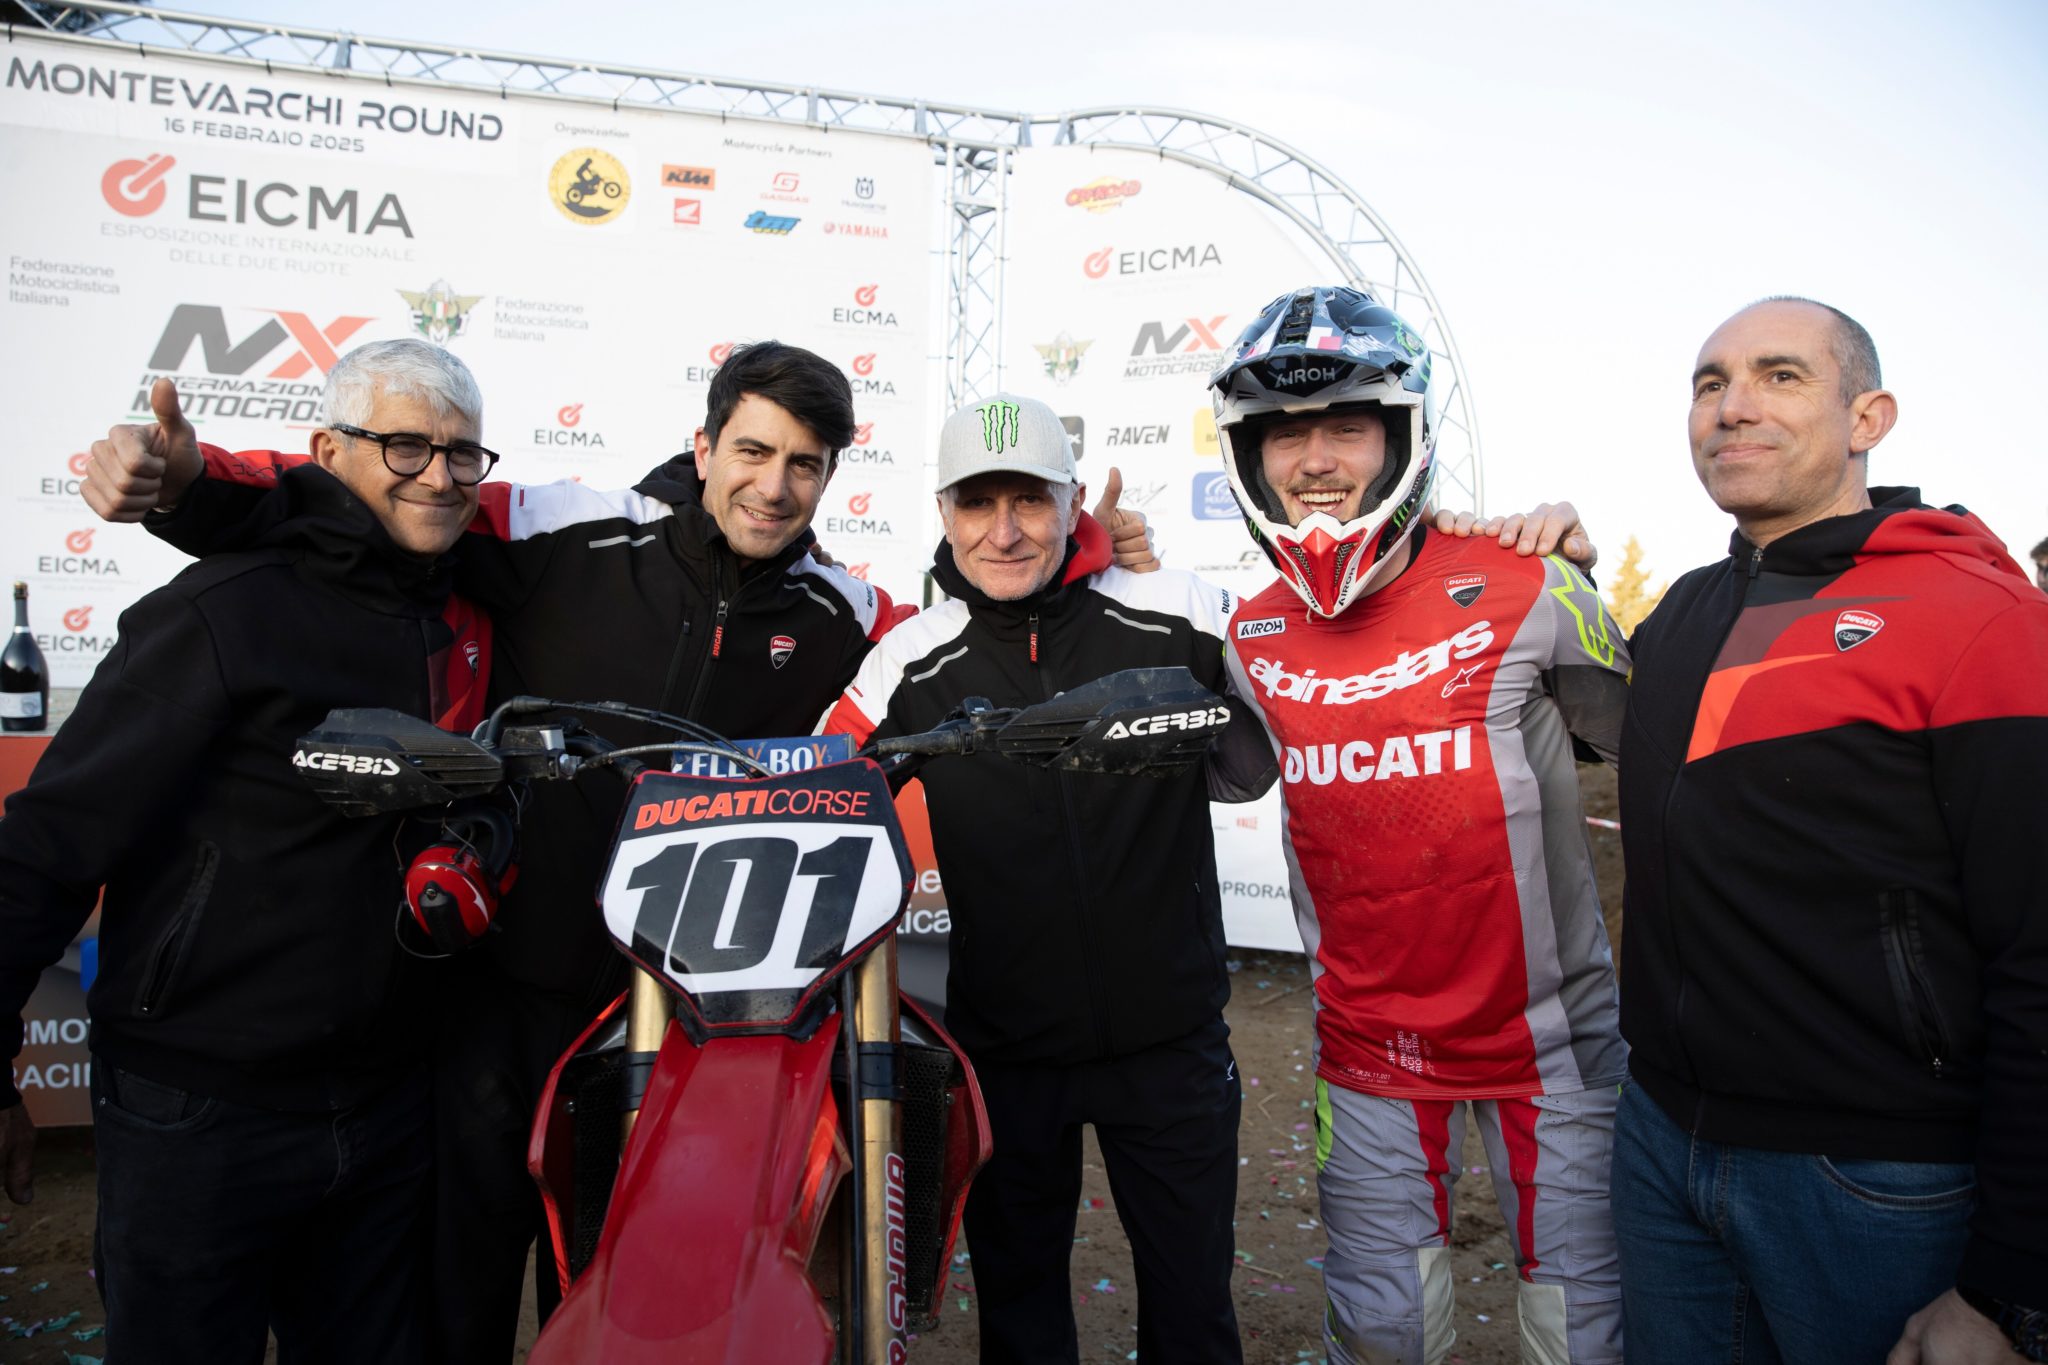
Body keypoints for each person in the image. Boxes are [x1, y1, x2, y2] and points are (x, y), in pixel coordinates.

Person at [80, 342, 1156, 1363]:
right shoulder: (573, 528)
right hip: (499, 997)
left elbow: (969, 630)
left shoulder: (844, 609)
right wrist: (190, 487)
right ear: (704, 447)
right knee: (457, 1282)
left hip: (677, 1022)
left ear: (829, 478)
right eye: (753, 451)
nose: (774, 486)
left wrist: (1086, 559)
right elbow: (374, 500)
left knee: (621, 1281)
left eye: (804, 465)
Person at [0, 339, 494, 1362]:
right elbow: (51, 841)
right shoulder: (222, 611)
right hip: (198, 1112)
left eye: (462, 454)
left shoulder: (474, 614)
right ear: (327, 451)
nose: (440, 477)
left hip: (387, 1110)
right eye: (406, 447)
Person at [1611, 297, 2048, 1364]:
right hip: (1660, 1142)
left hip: (1876, 1179)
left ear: (1868, 418)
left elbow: (2039, 956)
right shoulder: (1677, 617)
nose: (1732, 407)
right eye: (1709, 383)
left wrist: (2007, 1283)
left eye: (1780, 375)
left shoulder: (1984, 620)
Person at [1208, 287, 1630, 1364]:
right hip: (1370, 1057)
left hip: (1555, 1049)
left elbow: (1654, 751)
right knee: (1383, 1337)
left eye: (1346, 426)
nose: (1313, 459)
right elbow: (1219, 775)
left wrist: (1580, 565)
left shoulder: (1533, 582)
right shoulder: (1248, 636)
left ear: (1401, 436)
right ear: (1248, 454)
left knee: (1581, 1341)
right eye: (1283, 433)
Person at [825, 393, 1275, 1364]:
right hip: (1008, 1054)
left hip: (1171, 1048)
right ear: (943, 512)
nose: (1003, 531)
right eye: (976, 502)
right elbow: (817, 796)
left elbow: (1261, 759)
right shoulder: (909, 660)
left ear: (1073, 502)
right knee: (1021, 1323)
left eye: (1028, 499)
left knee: (1194, 1314)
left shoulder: (1176, 610)